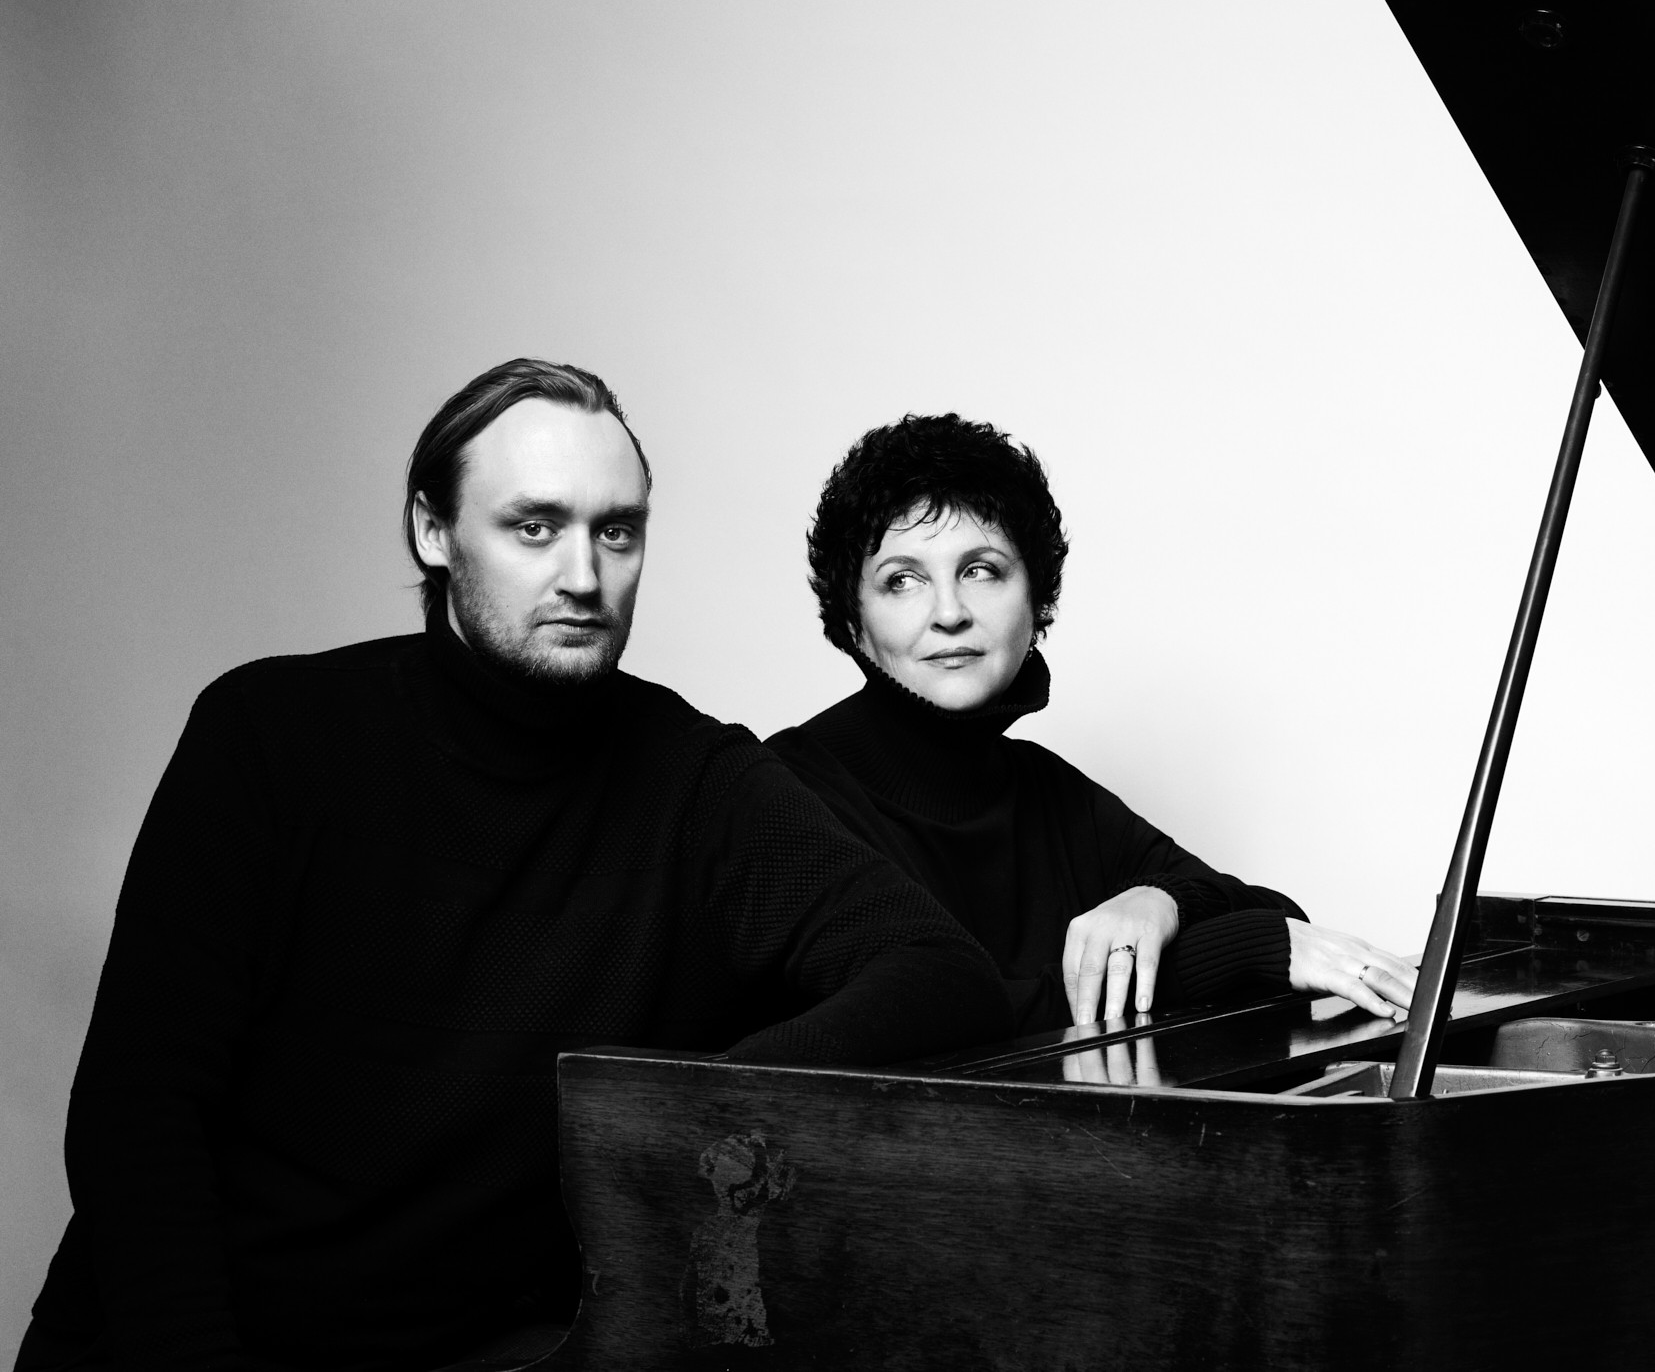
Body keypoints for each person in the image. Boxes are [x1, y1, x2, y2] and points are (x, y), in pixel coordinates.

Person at [19, 361, 1010, 1372]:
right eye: (534, 527)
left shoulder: (694, 777)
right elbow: (137, 1114)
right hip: (178, 1341)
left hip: (480, 1353)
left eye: (615, 531)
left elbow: (937, 967)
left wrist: (681, 1107)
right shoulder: (270, 735)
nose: (582, 574)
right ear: (432, 529)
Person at [766, 413, 1417, 1040]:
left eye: (980, 570)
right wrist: (1223, 956)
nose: (949, 612)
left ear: (1036, 597)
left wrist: (1159, 900)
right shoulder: (785, 793)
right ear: (853, 621)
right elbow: (933, 1024)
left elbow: (1273, 916)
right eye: (902, 580)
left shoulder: (1042, 787)